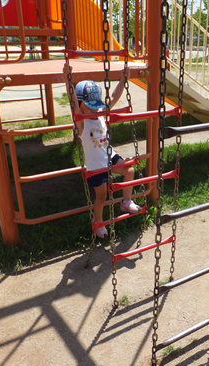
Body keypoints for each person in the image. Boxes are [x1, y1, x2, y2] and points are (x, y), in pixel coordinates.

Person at [63, 64, 141, 239]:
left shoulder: (99, 113)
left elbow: (113, 96)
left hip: (109, 156)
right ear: (81, 105)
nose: (94, 109)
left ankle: (126, 201)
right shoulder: (82, 123)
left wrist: (124, 79)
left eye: (95, 105)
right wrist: (68, 78)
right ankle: (98, 223)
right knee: (102, 197)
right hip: (95, 165)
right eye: (89, 106)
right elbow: (74, 104)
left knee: (129, 170)